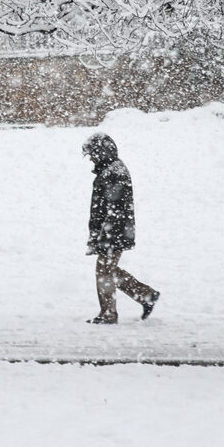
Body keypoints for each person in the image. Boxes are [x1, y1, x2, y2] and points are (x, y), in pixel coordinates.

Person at [82, 132, 160, 324]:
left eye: (92, 153)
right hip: (112, 231)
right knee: (108, 269)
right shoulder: (109, 169)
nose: (90, 158)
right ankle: (145, 294)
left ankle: (109, 314)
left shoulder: (113, 172)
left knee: (104, 271)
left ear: (101, 152)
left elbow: (115, 208)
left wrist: (104, 235)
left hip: (113, 232)